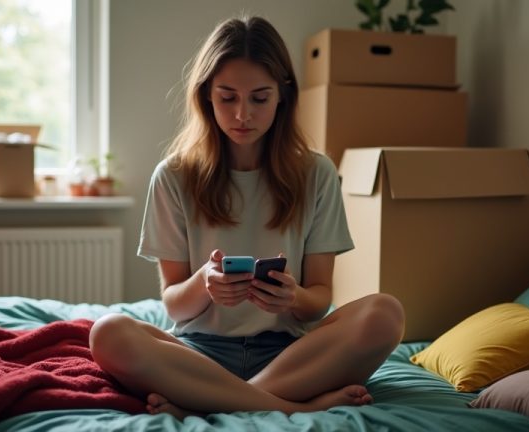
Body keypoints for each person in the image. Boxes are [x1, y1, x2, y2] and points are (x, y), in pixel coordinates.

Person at [89, 15, 405, 419]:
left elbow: (319, 300)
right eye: (227, 97)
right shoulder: (173, 176)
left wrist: (293, 297)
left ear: (282, 96)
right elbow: (173, 305)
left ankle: (207, 402)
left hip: (290, 355)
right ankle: (287, 407)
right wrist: (205, 283)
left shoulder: (316, 173)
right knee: (108, 333)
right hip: (199, 354)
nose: (242, 114)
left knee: (386, 313)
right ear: (206, 96)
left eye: (259, 98)